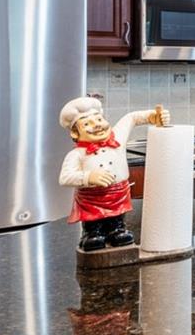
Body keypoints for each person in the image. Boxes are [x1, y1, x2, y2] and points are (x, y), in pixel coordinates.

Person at [58, 97, 171, 252]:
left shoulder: (118, 137)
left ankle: (117, 230)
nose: (96, 125)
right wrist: (87, 177)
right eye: (86, 123)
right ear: (75, 133)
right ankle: (91, 233)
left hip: (119, 194)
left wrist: (153, 116)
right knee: (93, 222)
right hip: (91, 198)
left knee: (117, 219)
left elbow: (131, 118)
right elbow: (65, 177)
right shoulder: (76, 154)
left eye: (99, 119)